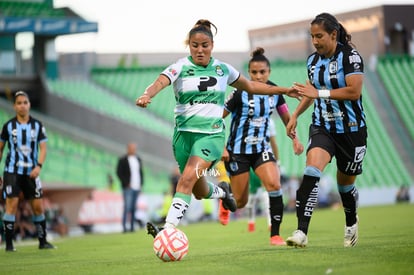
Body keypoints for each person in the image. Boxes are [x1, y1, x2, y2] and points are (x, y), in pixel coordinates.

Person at [136, 19, 298, 238]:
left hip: (211, 137)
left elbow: (251, 86)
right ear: (189, 45)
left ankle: (167, 230)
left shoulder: (223, 69)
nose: (200, 50)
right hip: (183, 138)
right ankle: (223, 192)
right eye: (195, 45)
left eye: (205, 45)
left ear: (212, 45)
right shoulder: (180, 66)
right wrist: (148, 94)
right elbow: (160, 82)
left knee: (184, 180)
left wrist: (284, 90)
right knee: (198, 190)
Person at [285, 13, 367, 248]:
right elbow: (311, 91)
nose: (316, 41)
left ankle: (351, 221)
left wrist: (318, 94)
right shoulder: (312, 61)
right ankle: (301, 232)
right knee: (312, 170)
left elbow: (354, 92)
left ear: (333, 34)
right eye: (312, 37)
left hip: (352, 130)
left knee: (345, 186)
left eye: (319, 36)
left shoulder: (350, 57)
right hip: (323, 127)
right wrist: (296, 115)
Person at [220, 47, 303, 246]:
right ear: (249, 73)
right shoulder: (238, 93)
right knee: (240, 202)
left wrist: (295, 139)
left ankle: (275, 234)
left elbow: (287, 119)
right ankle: (225, 195)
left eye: (262, 72)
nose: (258, 76)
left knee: (274, 185)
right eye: (254, 72)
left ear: (269, 72)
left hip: (261, 149)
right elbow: (217, 119)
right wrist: (221, 147)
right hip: (238, 152)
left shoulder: (275, 93)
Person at [0, 91, 55, 252]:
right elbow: (1, 149)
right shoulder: (8, 126)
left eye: (25, 102)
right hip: (12, 171)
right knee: (12, 205)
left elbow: (43, 148)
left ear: (29, 105)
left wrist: (38, 166)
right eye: (19, 103)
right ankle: (9, 245)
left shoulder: (37, 125)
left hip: (32, 172)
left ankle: (43, 242)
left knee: (38, 207)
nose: (22, 105)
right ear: (14, 106)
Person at [116, 142, 144, 233]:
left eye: (134, 148)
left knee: (133, 208)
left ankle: (132, 227)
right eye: (132, 148)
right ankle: (124, 227)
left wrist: (141, 184)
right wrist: (126, 183)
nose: (133, 150)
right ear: (128, 149)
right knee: (127, 207)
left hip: (137, 187)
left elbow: (141, 173)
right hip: (128, 187)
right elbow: (119, 172)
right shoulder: (123, 160)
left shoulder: (138, 159)